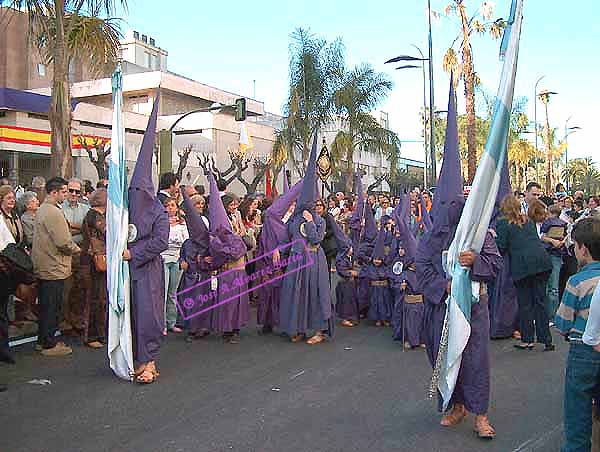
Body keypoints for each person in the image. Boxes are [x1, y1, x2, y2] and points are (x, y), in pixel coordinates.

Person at [124, 99, 169, 384]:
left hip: (148, 270)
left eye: (141, 190)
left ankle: (150, 361)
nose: (137, 194)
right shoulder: (127, 209)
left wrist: (134, 253)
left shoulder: (159, 212)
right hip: (127, 272)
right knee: (129, 316)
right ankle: (133, 358)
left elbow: (160, 242)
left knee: (148, 315)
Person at [279, 138, 333, 345]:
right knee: (295, 294)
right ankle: (297, 327)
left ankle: (319, 330)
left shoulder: (319, 220)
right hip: (296, 260)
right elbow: (287, 237)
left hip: (314, 260)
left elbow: (317, 238)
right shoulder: (294, 219)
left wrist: (311, 223)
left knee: (315, 294)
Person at [554, 218, 600, 452]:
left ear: (583, 248)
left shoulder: (577, 281)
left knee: (577, 408)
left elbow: (562, 323)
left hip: (583, 351)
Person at [495, 195, 554, 351]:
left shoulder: (503, 223)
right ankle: (546, 340)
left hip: (523, 267)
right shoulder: (528, 221)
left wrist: (493, 237)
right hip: (542, 262)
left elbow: (500, 247)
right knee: (540, 302)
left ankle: (527, 339)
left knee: (525, 304)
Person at [32, 177, 80, 356]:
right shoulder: (52, 212)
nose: (67, 194)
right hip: (54, 266)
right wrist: (78, 250)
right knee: (52, 306)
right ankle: (49, 344)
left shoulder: (43, 209)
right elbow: (63, 241)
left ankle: (43, 340)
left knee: (46, 305)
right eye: (65, 191)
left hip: (45, 264)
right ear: (54, 192)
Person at [208, 175, 249, 344]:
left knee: (238, 300)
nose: (234, 207)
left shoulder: (237, 218)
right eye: (230, 204)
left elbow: (243, 239)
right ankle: (227, 329)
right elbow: (220, 246)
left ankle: (236, 327)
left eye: (235, 204)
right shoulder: (218, 228)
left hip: (239, 265)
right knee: (228, 300)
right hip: (227, 267)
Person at [80, 189, 108, 348]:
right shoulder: (94, 216)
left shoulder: (95, 215)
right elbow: (107, 231)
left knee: (100, 297)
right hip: (93, 261)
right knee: (95, 298)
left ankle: (99, 332)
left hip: (95, 259)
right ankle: (91, 336)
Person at [62, 178, 90, 334]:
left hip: (81, 253)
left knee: (81, 289)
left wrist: (71, 226)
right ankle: (65, 323)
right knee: (67, 290)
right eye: (70, 190)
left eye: (76, 191)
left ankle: (78, 321)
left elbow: (87, 229)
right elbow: (61, 231)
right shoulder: (59, 208)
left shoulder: (85, 209)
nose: (73, 194)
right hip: (65, 254)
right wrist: (77, 229)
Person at [161, 198, 188, 334]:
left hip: (177, 259)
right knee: (163, 292)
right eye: (167, 206)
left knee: (172, 293)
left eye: (172, 205)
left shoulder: (182, 225)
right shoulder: (160, 223)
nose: (170, 208)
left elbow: (186, 242)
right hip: (163, 259)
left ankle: (171, 322)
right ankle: (162, 325)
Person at [540, 203, 568, 320]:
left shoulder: (547, 223)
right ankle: (553, 314)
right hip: (557, 254)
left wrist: (550, 240)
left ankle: (545, 313)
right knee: (554, 287)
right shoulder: (563, 224)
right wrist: (560, 242)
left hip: (547, 253)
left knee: (546, 285)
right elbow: (566, 236)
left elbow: (541, 236)